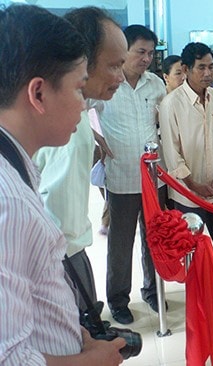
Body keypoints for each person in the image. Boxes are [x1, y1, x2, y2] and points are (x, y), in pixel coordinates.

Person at [0, 4, 124, 364]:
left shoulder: (17, 166)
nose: (83, 105)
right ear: (38, 95)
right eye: (78, 88)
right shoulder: (7, 202)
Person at [33, 6, 127, 316]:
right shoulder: (55, 118)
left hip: (70, 248)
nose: (121, 77)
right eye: (114, 65)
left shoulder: (79, 111)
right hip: (55, 258)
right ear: (81, 59)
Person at [99, 24, 167, 324]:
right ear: (124, 50)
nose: (146, 58)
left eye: (151, 53)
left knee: (154, 239)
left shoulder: (156, 84)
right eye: (140, 51)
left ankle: (153, 292)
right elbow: (77, 110)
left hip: (154, 178)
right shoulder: (106, 83)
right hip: (122, 177)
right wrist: (94, 137)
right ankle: (117, 299)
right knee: (120, 244)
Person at [158, 42, 213, 288]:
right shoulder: (171, 104)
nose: (207, 73)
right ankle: (197, 288)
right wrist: (193, 184)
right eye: (201, 67)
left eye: (211, 67)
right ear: (186, 68)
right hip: (187, 194)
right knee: (190, 244)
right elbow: (172, 152)